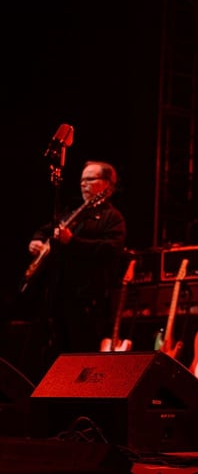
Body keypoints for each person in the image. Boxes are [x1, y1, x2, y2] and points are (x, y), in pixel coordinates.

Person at [23, 160, 127, 380]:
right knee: (55, 356)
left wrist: (73, 242)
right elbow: (47, 229)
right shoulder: (74, 212)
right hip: (60, 296)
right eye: (81, 180)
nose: (83, 184)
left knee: (81, 357)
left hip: (87, 300)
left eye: (90, 179)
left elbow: (110, 250)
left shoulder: (112, 217)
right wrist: (37, 240)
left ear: (107, 185)